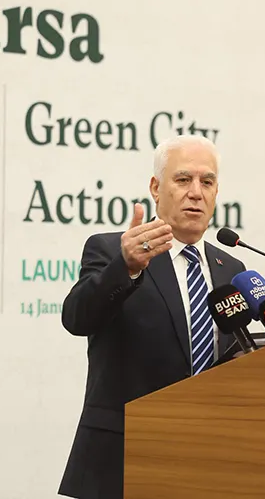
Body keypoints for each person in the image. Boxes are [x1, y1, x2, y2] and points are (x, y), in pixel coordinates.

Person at [57, 135, 247, 499]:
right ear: (156, 188)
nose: (196, 193)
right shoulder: (113, 250)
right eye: (183, 179)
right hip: (124, 460)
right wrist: (125, 267)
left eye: (207, 182)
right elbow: (76, 319)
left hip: (208, 460)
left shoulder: (231, 268)